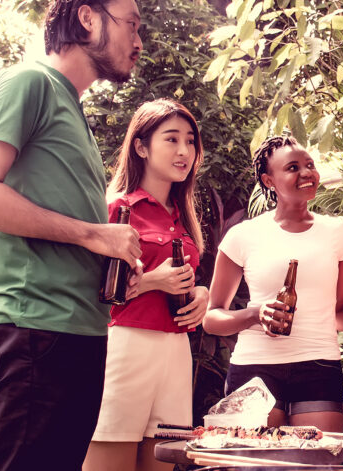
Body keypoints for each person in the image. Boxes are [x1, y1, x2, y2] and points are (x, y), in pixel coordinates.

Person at [0, 0, 145, 471]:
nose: (139, 42)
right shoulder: (29, 81)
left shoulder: (71, 107)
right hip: (37, 331)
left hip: (80, 332)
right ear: (87, 17)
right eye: (132, 25)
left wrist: (108, 260)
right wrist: (92, 234)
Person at [203, 134, 343, 432]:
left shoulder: (337, 233)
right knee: (257, 465)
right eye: (292, 168)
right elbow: (212, 318)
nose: (306, 173)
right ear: (269, 181)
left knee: (317, 461)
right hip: (255, 367)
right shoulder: (244, 235)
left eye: (309, 165)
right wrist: (255, 313)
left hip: (318, 365)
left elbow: (338, 313)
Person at [83, 99, 210, 471]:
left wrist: (200, 295)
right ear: (141, 146)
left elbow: (186, 282)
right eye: (171, 139)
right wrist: (154, 281)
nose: (184, 151)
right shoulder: (115, 208)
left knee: (164, 459)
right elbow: (90, 291)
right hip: (125, 345)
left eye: (190, 141)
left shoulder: (183, 215)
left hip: (175, 350)